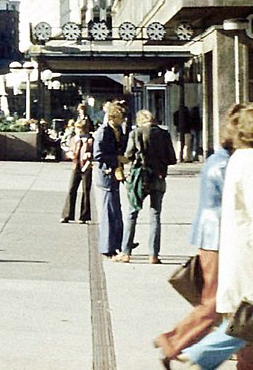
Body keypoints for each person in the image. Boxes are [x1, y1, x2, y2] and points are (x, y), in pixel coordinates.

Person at [155, 104, 238, 365]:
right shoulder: (226, 164)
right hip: (217, 237)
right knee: (214, 303)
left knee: (222, 302)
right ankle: (174, 340)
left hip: (212, 235)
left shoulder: (218, 159)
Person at [179, 103, 253, 369]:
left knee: (245, 324)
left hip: (232, 247)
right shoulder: (247, 162)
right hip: (242, 253)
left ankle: (202, 352)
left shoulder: (236, 159)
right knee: (243, 320)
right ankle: (201, 352)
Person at [115, 109, 177, 264]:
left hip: (140, 178)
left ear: (140, 120)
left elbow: (128, 155)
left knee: (132, 213)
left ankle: (126, 252)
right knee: (155, 215)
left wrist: (117, 161)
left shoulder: (136, 133)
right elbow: (172, 159)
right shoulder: (164, 134)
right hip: (158, 176)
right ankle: (153, 255)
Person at [93, 101, 127, 258]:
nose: (123, 120)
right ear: (113, 117)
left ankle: (118, 241)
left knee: (116, 209)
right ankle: (107, 246)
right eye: (121, 117)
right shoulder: (103, 132)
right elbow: (98, 155)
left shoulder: (118, 130)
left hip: (115, 172)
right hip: (106, 173)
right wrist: (116, 158)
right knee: (108, 210)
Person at [60, 120, 94, 223]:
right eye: (77, 129)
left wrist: (89, 155)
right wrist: (69, 154)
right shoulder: (73, 139)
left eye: (80, 129)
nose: (78, 131)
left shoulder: (90, 140)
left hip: (86, 167)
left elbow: (94, 152)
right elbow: (69, 151)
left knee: (86, 191)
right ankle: (67, 215)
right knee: (71, 189)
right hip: (76, 166)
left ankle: (84, 216)